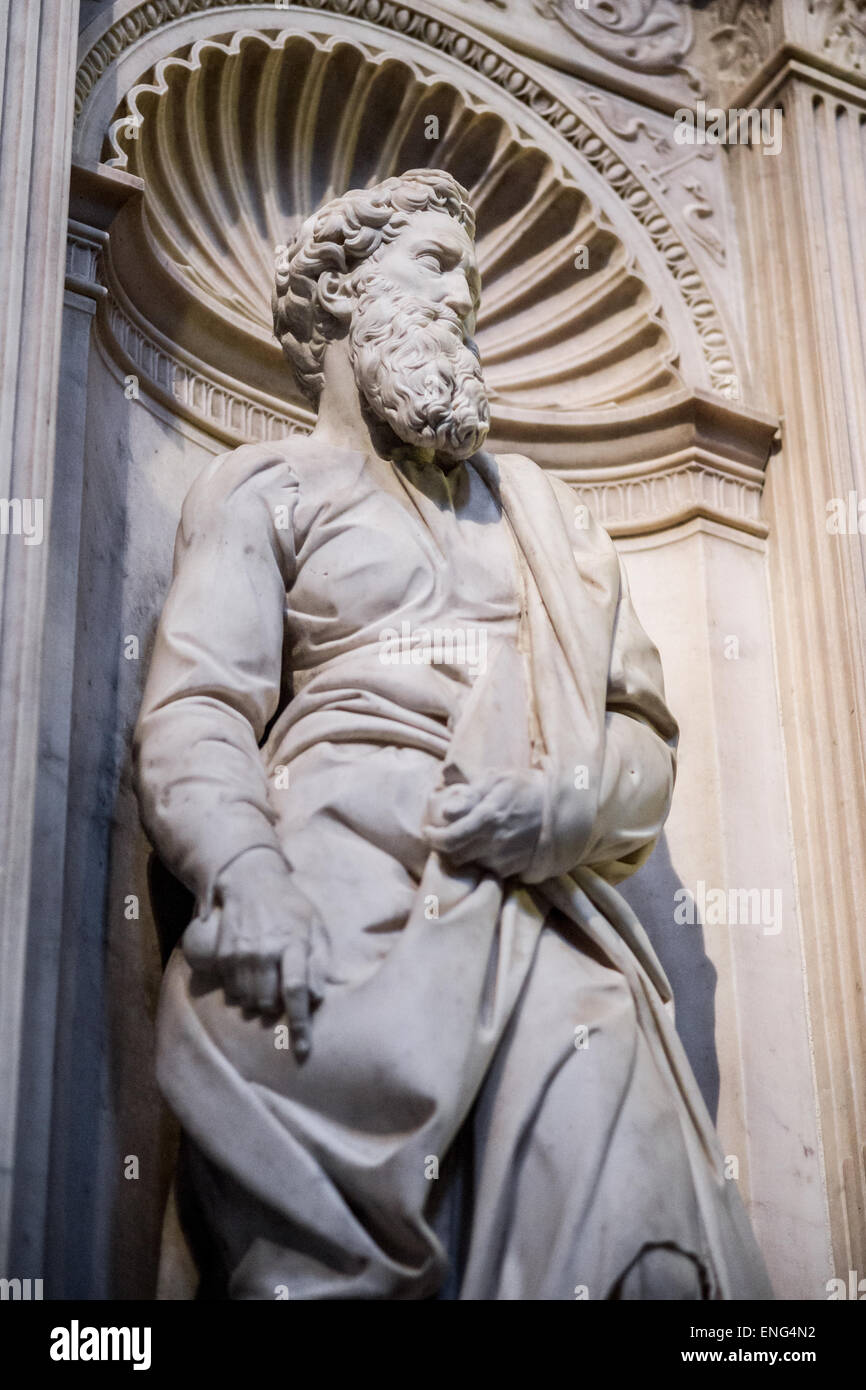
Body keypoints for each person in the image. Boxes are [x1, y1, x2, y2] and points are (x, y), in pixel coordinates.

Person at [134, 168, 772, 1300]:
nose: (465, 300)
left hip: (532, 911)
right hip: (330, 870)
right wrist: (242, 869)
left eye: (475, 280)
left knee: (647, 1250)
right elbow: (199, 706)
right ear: (338, 293)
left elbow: (639, 740)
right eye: (435, 265)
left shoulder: (543, 517)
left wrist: (559, 807)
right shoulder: (263, 487)